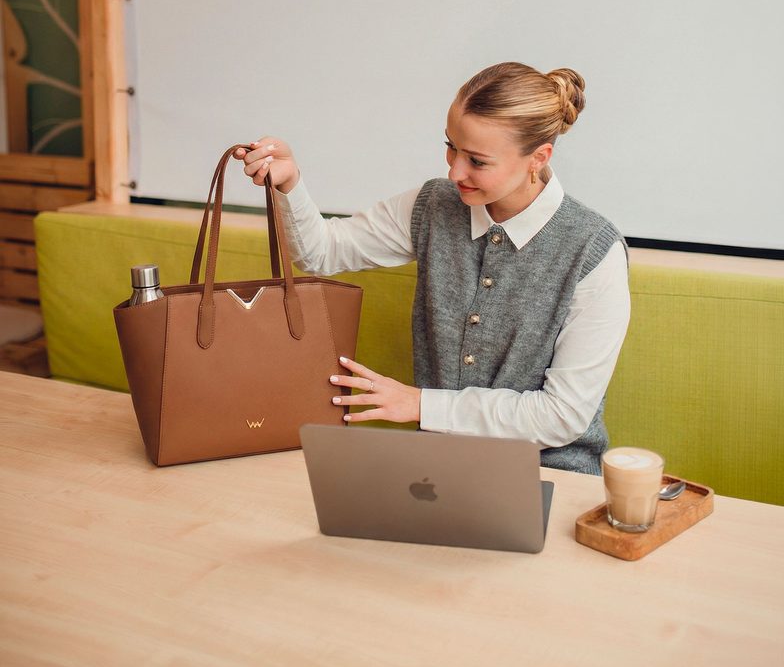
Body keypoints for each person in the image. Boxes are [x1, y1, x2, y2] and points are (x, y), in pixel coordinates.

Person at [235, 62, 630, 475]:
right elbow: (322, 253)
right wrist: (289, 182)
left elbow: (562, 416)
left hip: (551, 476)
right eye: (451, 146)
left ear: (538, 158)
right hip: (437, 475)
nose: (454, 171)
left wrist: (420, 404)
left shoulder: (593, 250)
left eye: (477, 160)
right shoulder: (434, 206)